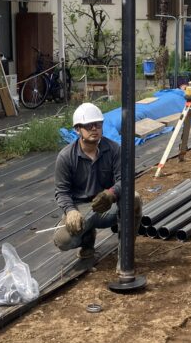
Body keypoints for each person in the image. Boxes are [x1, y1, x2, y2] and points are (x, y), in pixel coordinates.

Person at [52, 102, 140, 260]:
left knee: (134, 198)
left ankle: (126, 252)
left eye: (98, 125)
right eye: (89, 125)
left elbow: (125, 180)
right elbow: (62, 192)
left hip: (107, 207)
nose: (94, 128)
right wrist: (70, 211)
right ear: (78, 129)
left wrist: (111, 194)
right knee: (62, 241)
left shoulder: (113, 149)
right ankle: (87, 240)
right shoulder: (66, 157)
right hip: (82, 210)